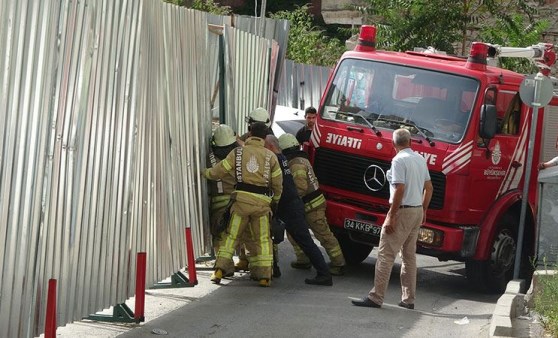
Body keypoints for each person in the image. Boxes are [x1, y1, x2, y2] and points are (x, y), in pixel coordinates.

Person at [352, 128, 433, 309]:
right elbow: (429, 187)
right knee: (409, 256)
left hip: (402, 211)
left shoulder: (398, 160)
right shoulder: (420, 159)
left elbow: (400, 189)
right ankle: (408, 299)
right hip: (417, 210)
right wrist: (424, 209)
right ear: (411, 142)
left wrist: (391, 215)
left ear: (393, 144)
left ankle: (376, 297)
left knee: (385, 254)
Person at [202, 122, 283, 287]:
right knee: (262, 239)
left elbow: (218, 172)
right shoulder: (271, 157)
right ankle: (265, 276)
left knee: (231, 236)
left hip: (240, 204)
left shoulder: (237, 153)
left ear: (250, 132)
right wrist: (275, 201)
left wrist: (204, 172)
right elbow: (278, 184)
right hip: (262, 205)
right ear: (265, 136)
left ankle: (219, 271)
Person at [265, 135, 333, 286]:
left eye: (264, 146)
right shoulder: (282, 158)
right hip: (291, 205)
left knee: (305, 241)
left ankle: (324, 274)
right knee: (274, 237)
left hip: (289, 207)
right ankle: (274, 268)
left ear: (270, 147)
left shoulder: (275, 160)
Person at [278, 133, 346, 276]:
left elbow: (300, 188)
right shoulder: (302, 159)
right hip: (313, 203)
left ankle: (338, 264)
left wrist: (289, 201)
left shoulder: (295, 164)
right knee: (293, 232)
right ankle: (302, 259)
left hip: (312, 206)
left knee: (323, 235)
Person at [207, 124, 239, 255]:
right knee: (243, 233)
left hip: (218, 205)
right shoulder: (239, 155)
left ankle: (224, 266)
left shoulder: (209, 158)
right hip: (238, 201)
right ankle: (246, 261)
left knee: (220, 235)